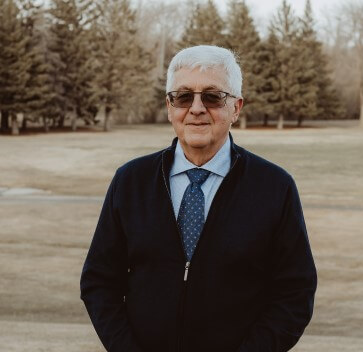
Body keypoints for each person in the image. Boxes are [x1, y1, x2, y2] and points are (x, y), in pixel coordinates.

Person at [80, 45, 317, 352]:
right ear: (169, 106)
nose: (196, 108)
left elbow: (294, 293)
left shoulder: (275, 187)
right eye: (183, 96)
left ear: (237, 107)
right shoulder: (130, 181)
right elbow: (99, 282)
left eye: (212, 96)